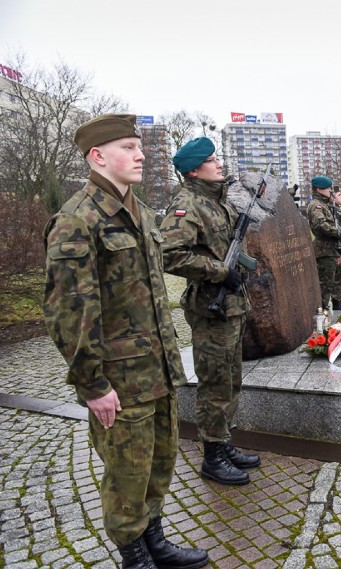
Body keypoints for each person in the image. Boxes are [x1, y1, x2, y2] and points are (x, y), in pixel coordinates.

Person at [43, 114, 208, 568]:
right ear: (98, 156)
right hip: (120, 380)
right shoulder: (78, 219)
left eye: (140, 146)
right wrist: (92, 385)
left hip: (158, 372)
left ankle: (154, 539)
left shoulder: (141, 212)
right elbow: (68, 312)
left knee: (159, 464)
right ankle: (134, 556)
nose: (140, 155)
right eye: (128, 148)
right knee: (126, 476)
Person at [160, 137, 260, 486]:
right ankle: (212, 457)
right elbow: (168, 254)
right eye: (211, 159)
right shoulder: (187, 204)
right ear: (192, 169)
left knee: (231, 380)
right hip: (211, 308)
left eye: (217, 157)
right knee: (214, 384)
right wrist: (219, 271)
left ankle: (224, 441)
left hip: (233, 305)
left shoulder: (218, 200)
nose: (219, 163)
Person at [306, 176, 341, 310]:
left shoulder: (326, 205)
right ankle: (320, 314)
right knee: (324, 286)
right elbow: (320, 225)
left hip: (330, 250)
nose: (330, 190)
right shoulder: (316, 205)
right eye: (328, 188)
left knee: (329, 284)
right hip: (324, 252)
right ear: (319, 189)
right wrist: (337, 231)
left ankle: (323, 312)